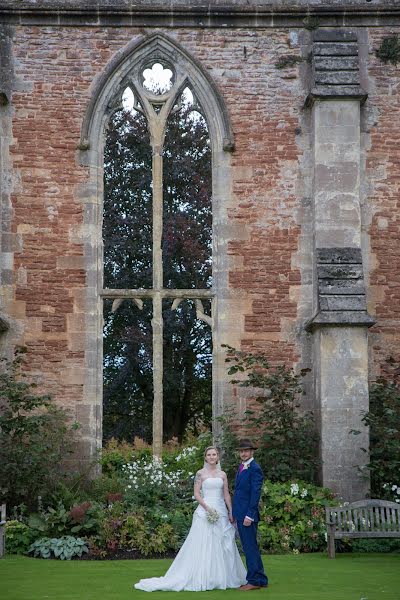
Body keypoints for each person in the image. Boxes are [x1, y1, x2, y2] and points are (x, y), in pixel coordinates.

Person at [134, 446, 247, 592]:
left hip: (221, 511)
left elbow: (226, 494)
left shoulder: (223, 474)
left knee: (222, 543)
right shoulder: (200, 474)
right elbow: (196, 494)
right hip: (205, 509)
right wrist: (207, 508)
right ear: (205, 457)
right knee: (203, 542)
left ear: (217, 457)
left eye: (214, 454)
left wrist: (231, 511)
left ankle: (222, 577)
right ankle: (203, 576)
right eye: (209, 455)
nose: (212, 457)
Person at [232, 439, 269, 591]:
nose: (243, 453)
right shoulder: (242, 466)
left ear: (252, 452)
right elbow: (239, 492)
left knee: (249, 548)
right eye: (241, 451)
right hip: (240, 513)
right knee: (251, 547)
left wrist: (250, 515)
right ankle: (261, 579)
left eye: (246, 451)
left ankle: (253, 581)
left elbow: (255, 493)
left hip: (248, 515)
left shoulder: (254, 468)